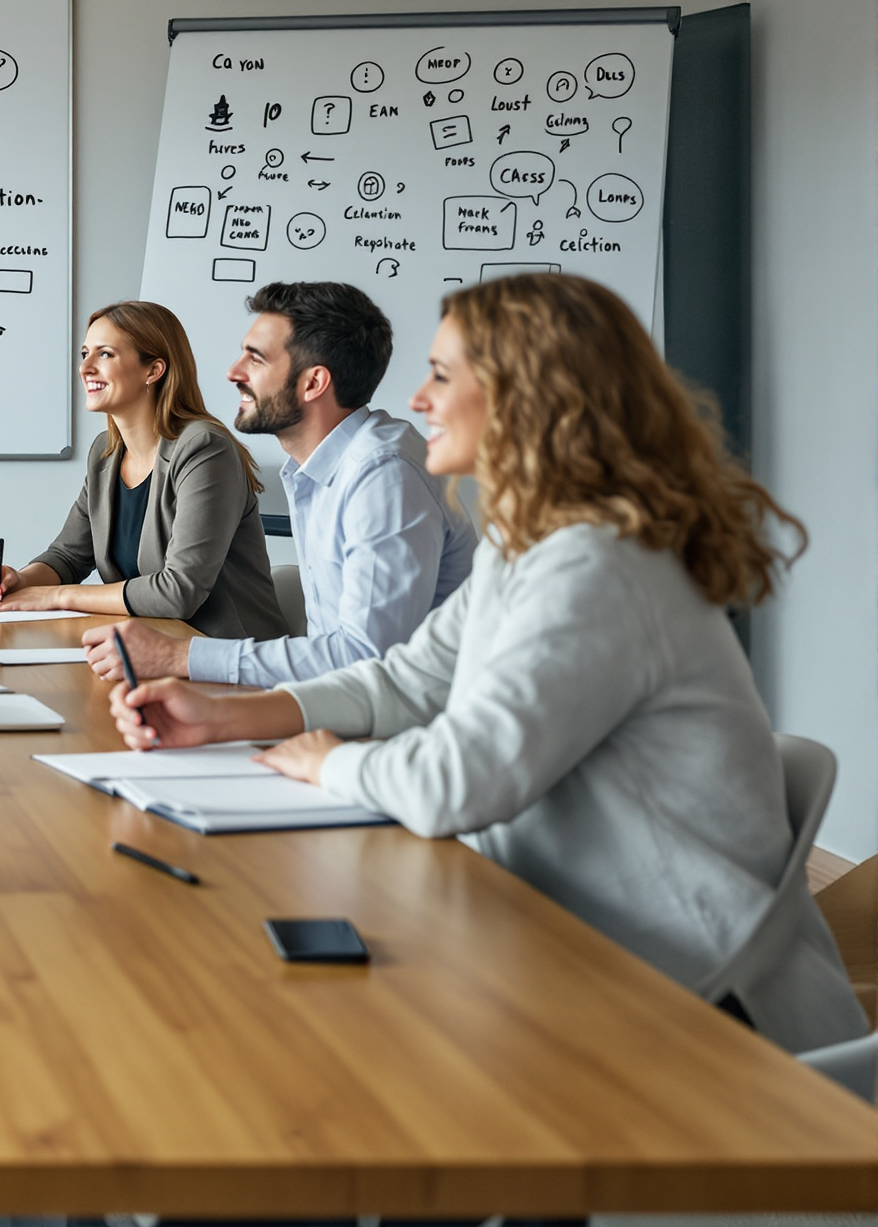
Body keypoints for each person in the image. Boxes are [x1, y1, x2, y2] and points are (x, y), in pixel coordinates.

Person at [112, 272, 864, 1053]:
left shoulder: (600, 567)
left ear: (526, 397)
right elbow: (409, 677)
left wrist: (327, 764)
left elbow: (455, 783)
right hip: (568, 945)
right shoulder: (532, 542)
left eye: (441, 376)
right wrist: (227, 714)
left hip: (701, 1013)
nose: (417, 399)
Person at [84, 281, 473, 688]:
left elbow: (363, 662)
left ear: (313, 383)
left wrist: (177, 656)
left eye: (256, 359)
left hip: (411, 732)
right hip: (348, 712)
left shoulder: (383, 474)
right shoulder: (315, 470)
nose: (234, 372)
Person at [0, 299, 284, 638]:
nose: (85, 368)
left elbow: (178, 591)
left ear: (153, 370)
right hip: (147, 649)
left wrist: (57, 596)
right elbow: (68, 556)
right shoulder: (105, 455)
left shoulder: (205, 450)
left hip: (228, 663)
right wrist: (18, 580)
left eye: (104, 354)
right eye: (85, 354)